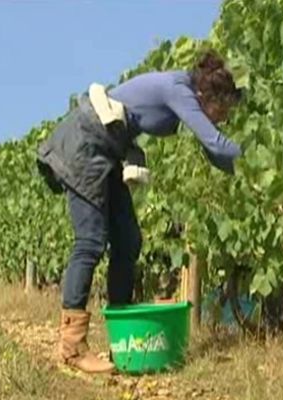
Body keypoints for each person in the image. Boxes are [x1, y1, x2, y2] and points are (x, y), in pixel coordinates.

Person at [37, 49, 242, 373]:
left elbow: (212, 152)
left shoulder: (184, 90)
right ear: (208, 95)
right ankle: (71, 346)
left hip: (106, 150)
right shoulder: (179, 89)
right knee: (90, 242)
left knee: (128, 240)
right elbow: (215, 142)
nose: (224, 117)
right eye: (224, 109)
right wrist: (259, 161)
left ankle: (122, 340)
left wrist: (246, 177)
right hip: (85, 145)